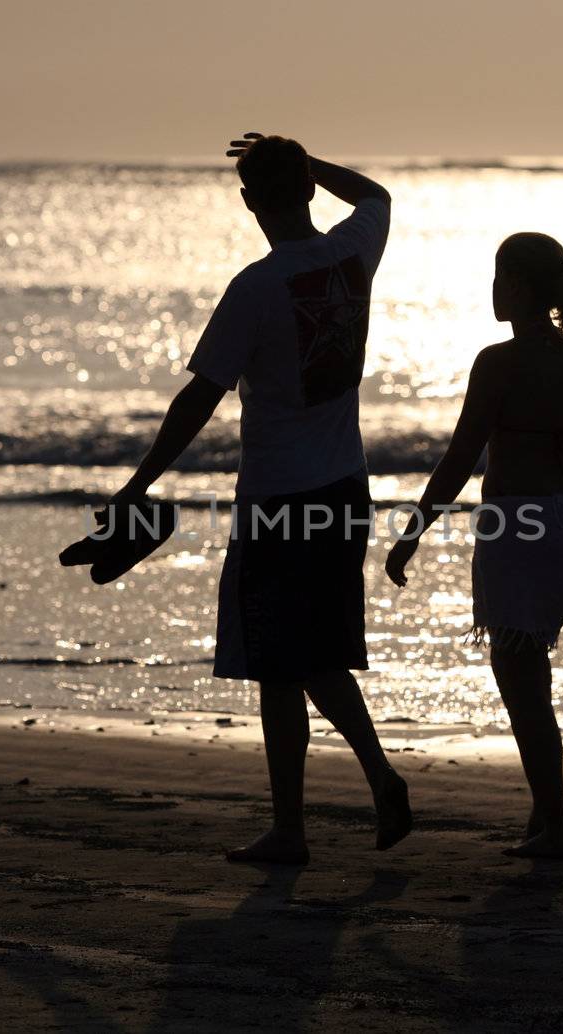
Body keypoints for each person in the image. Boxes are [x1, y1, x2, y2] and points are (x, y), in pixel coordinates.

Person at [107, 132, 411, 865]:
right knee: (316, 657)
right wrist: (315, 163)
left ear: (249, 201)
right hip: (345, 488)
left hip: (279, 499)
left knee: (282, 665)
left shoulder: (256, 287)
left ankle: (293, 830)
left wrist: (140, 481)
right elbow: (376, 195)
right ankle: (376, 780)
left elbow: (199, 398)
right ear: (308, 189)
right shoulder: (352, 253)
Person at [385, 232, 563, 861]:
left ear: (524, 288)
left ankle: (555, 828)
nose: (493, 290)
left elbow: (459, 458)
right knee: (533, 672)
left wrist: (412, 533)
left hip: (518, 525)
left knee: (521, 679)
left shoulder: (496, 362)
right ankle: (543, 818)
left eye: (500, 277)